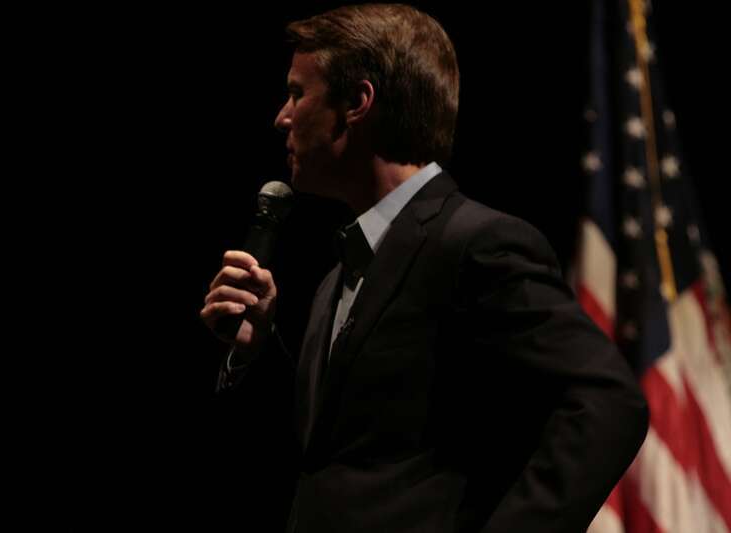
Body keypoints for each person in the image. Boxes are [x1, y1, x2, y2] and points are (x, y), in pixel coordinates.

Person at [201, 4, 648, 532]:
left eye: (299, 93)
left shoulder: (477, 244)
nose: (282, 116)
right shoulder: (336, 278)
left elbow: (608, 401)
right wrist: (255, 351)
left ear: (356, 104)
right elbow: (334, 453)